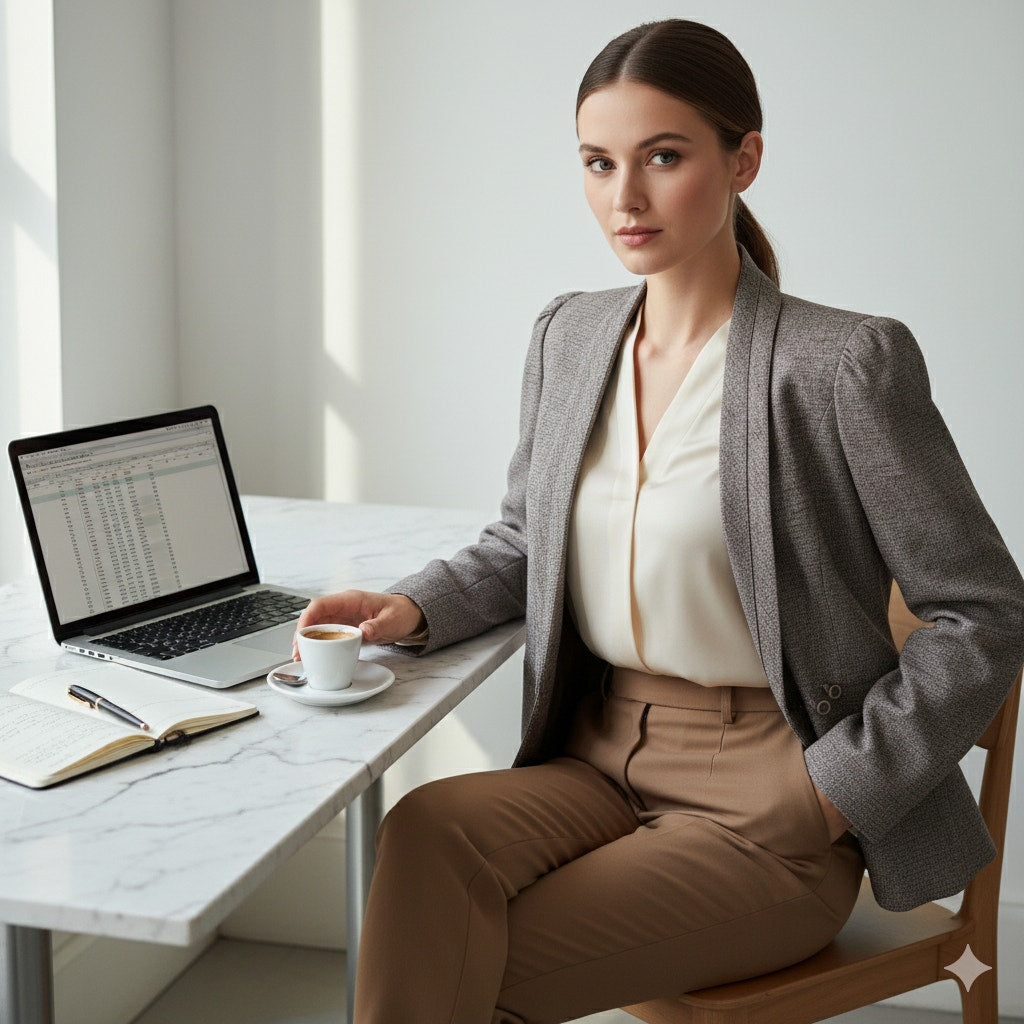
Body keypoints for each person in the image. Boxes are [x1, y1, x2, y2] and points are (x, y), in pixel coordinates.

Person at [296, 19, 1024, 1024]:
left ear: (744, 160)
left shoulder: (839, 364)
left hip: (768, 792)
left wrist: (834, 790)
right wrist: (409, 608)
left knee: (457, 971)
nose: (622, 198)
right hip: (591, 754)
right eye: (598, 164)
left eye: (663, 157)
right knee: (427, 831)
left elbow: (981, 612)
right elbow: (523, 542)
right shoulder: (568, 334)